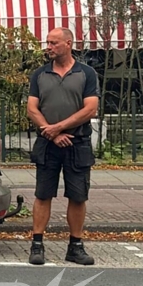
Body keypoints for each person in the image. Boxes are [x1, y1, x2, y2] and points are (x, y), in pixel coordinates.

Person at [26, 27, 100, 266]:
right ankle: (37, 245)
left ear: (68, 44)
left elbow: (90, 109)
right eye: (47, 42)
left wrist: (58, 128)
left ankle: (75, 246)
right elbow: (32, 109)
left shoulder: (86, 73)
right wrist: (52, 133)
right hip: (47, 144)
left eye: (53, 43)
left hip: (78, 144)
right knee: (43, 194)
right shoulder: (40, 74)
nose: (48, 47)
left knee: (78, 196)